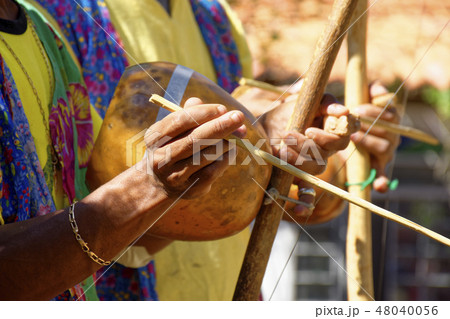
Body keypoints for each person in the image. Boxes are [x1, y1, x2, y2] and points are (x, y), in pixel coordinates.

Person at [32, 0, 400, 301]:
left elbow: (252, 195)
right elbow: (82, 217)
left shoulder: (215, 20)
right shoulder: (50, 17)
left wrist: (343, 156)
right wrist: (256, 137)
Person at [0, 0, 249, 300]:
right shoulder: (64, 13)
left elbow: (128, 244)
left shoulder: (43, 32)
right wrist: (150, 184)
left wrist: (183, 179)